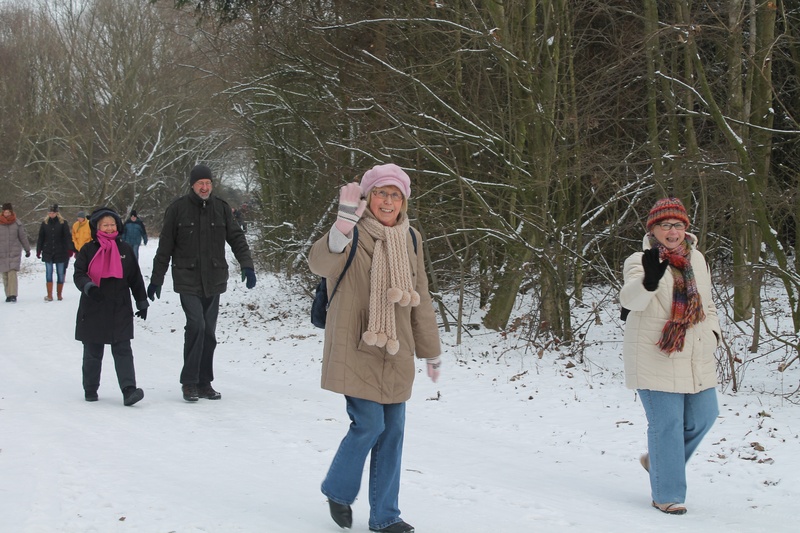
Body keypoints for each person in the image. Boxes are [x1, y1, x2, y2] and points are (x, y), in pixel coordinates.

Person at [308, 163, 442, 533]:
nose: (387, 201)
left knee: (393, 432)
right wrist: (341, 226)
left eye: (395, 194)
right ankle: (338, 490)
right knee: (369, 424)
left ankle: (386, 517)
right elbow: (319, 263)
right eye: (381, 192)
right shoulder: (351, 230)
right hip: (356, 345)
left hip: (397, 349)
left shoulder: (411, 238)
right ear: (369, 197)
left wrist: (431, 350)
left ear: (404, 201)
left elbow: (420, 296)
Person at [619, 197, 721, 516]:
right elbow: (629, 301)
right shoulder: (640, 259)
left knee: (705, 416)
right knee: (667, 425)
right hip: (655, 353)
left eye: (677, 225)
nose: (672, 231)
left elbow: (708, 304)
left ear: (685, 228)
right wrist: (648, 281)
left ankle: (659, 461)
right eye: (665, 225)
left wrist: (713, 335)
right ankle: (667, 494)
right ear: (653, 229)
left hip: (695, 354)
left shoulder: (698, 259)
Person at [148, 164, 256, 402]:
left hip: (214, 279)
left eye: (208, 183)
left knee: (208, 332)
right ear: (192, 185)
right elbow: (165, 247)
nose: (205, 187)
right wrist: (157, 279)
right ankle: (189, 382)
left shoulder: (221, 208)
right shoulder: (178, 209)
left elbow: (236, 238)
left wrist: (247, 265)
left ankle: (204, 382)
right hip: (187, 278)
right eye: (200, 183)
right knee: (196, 326)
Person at [73, 208, 148, 406]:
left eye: (112, 224)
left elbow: (135, 277)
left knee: (123, 349)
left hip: (119, 307)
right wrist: (89, 287)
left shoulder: (125, 250)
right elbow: (79, 274)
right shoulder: (88, 250)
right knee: (93, 351)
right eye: (105, 225)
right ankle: (90, 389)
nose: (109, 228)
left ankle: (129, 390)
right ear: (97, 227)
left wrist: (142, 301)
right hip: (94, 305)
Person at [36, 204, 72, 302]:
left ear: (57, 213)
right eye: (50, 213)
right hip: (48, 251)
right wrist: (39, 250)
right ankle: (49, 295)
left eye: (53, 213)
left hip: (61, 251)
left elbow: (67, 237)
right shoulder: (45, 223)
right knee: (49, 273)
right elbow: (41, 238)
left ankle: (59, 294)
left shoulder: (63, 223)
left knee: (60, 273)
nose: (51, 214)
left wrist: (70, 248)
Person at [0, 203, 32, 302]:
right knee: (5, 274)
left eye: (8, 212)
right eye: (5, 212)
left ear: (11, 212)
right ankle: (8, 295)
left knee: (12, 273)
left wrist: (27, 249)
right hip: (2, 252)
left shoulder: (17, 223)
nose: (7, 214)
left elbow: (22, 237)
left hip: (14, 251)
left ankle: (13, 294)